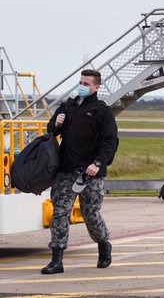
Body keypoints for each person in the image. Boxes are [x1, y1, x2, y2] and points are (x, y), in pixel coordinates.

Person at [42, 69, 119, 274]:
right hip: (66, 170)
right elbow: (51, 131)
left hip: (90, 172)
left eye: (86, 84)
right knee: (60, 212)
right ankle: (56, 259)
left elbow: (110, 142)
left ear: (96, 87)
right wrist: (55, 124)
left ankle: (103, 243)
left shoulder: (101, 111)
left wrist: (98, 163)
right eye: (81, 82)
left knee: (90, 213)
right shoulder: (68, 106)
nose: (82, 86)